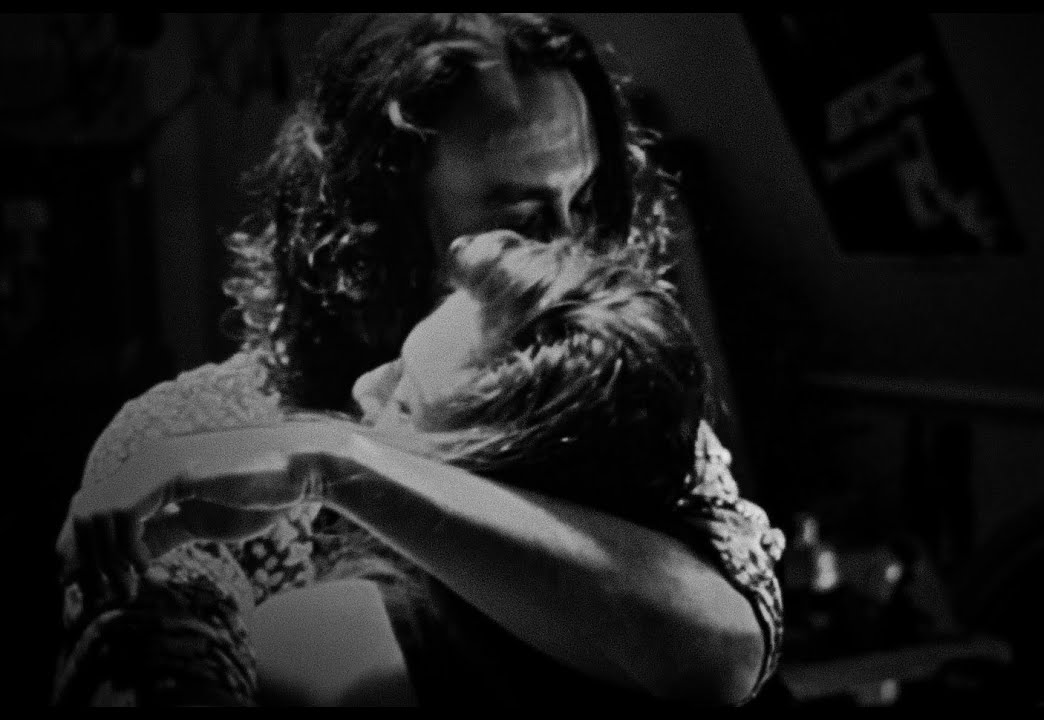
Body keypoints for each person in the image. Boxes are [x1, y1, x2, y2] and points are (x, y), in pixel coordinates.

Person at [52, 12, 785, 708]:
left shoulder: (604, 413)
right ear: (379, 221)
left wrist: (334, 461)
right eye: (520, 217)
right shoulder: (192, 437)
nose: (573, 248)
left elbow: (725, 650)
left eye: (587, 200)